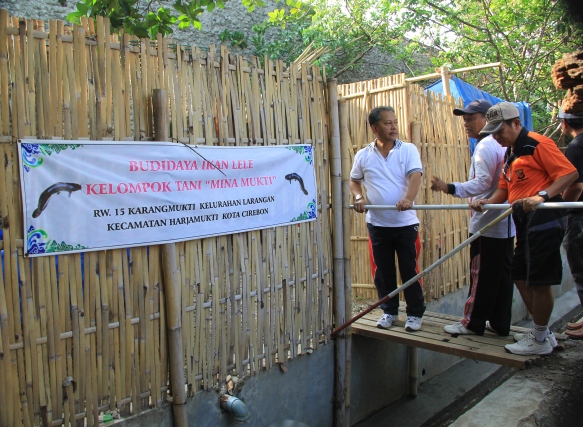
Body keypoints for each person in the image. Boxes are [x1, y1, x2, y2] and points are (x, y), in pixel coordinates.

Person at [471, 102, 578, 355]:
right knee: (519, 274)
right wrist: (487, 202)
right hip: (524, 222)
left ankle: (539, 338)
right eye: (492, 133)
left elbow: (569, 174)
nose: (496, 137)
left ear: (516, 124)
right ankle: (543, 333)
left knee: (540, 280)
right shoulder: (511, 153)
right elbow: (504, 188)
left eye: (500, 131)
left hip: (545, 220)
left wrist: (542, 196)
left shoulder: (537, 144)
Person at [431, 100, 515, 336]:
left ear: (486, 119)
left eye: (471, 119)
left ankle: (472, 322)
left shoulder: (486, 146)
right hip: (505, 221)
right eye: (464, 120)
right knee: (501, 275)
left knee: (481, 274)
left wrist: (450, 187)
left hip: (487, 221)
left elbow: (482, 183)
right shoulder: (502, 144)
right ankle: (500, 323)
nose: (466, 124)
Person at [350, 106, 426, 331]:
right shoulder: (363, 155)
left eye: (395, 122)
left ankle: (414, 314)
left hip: (405, 224)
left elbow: (416, 175)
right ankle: (389, 311)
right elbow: (354, 180)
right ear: (375, 128)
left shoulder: (408, 150)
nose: (393, 127)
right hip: (377, 224)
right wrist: (358, 197)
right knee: (383, 272)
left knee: (409, 269)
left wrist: (408, 199)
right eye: (387, 123)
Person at [558, 109, 583, 339]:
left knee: (581, 270)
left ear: (565, 124)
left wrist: (562, 207)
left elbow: (576, 185)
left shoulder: (576, 147)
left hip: (579, 217)